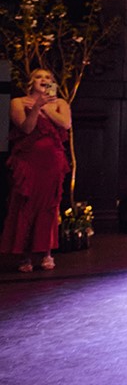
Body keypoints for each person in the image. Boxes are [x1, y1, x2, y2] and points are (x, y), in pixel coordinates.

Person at [1, 69, 72, 272]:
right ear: (32, 82)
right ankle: (25, 257)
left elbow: (66, 124)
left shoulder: (60, 103)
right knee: (25, 206)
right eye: (39, 77)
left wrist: (46, 107)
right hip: (28, 162)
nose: (44, 80)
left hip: (52, 163)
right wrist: (36, 108)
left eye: (48, 78)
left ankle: (47, 253)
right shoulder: (18, 102)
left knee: (48, 207)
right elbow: (27, 129)